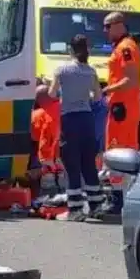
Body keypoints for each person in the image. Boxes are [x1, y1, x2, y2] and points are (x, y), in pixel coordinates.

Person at [48, 34, 105, 221]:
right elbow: (97, 97)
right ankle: (96, 205)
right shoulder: (91, 71)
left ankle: (75, 209)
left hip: (69, 119)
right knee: (88, 162)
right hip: (87, 119)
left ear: (70, 50)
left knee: (72, 163)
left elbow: (51, 93)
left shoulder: (61, 70)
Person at [100, 11, 140, 214]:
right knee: (118, 149)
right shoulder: (122, 47)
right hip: (121, 107)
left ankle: (119, 199)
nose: (104, 31)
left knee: (119, 151)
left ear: (119, 25)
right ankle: (119, 196)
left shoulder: (126, 48)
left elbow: (131, 80)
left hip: (124, 108)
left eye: (107, 26)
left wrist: (106, 90)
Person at [28, 84, 61, 199]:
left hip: (48, 155)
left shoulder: (40, 115)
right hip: (65, 151)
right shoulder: (63, 107)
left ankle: (46, 202)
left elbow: (39, 138)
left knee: (47, 183)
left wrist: (45, 161)